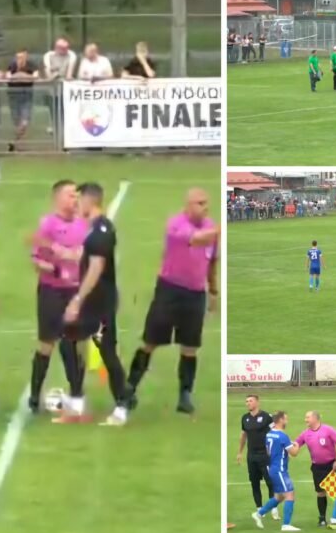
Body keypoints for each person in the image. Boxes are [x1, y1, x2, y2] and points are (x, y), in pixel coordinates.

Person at [126, 188, 219, 414]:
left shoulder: (211, 228)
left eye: (206, 203)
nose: (205, 207)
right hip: (169, 290)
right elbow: (196, 239)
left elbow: (211, 262)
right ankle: (129, 387)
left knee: (190, 346)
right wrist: (221, 229)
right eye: (199, 203)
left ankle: (185, 395)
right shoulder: (176, 225)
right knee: (151, 341)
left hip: (195, 293)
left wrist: (213, 290)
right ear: (187, 205)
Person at [61, 182, 129, 427]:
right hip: (94, 302)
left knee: (106, 352)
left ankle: (123, 404)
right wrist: (63, 253)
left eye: (79, 200)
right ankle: (77, 399)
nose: (76, 205)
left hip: (100, 304)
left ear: (91, 201)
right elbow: (87, 257)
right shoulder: (95, 229)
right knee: (68, 341)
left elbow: (96, 268)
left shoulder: (101, 231)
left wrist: (77, 300)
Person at [27, 180, 87, 414]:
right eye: (70, 195)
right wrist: (56, 269)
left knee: (74, 342)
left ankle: (77, 394)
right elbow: (36, 260)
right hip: (52, 291)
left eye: (76, 195)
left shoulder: (82, 224)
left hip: (75, 292)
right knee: (47, 343)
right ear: (58, 198)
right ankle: (34, 396)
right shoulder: (48, 225)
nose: (75, 199)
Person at [295, 410, 336, 526]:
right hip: (317, 467)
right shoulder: (306, 433)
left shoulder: (327, 430)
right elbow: (296, 444)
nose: (305, 420)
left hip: (331, 466)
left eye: (308, 417)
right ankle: (322, 518)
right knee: (320, 493)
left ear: (315, 418)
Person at [250, 412, 302, 532]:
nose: (287, 421)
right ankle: (286, 525)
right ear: (281, 420)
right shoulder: (283, 436)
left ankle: (258, 514)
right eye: (286, 419)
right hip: (280, 470)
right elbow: (294, 453)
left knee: (279, 496)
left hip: (272, 468)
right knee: (290, 494)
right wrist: (297, 445)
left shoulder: (269, 434)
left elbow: (269, 452)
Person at [238, 394, 278, 521]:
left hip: (265, 455)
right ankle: (259, 509)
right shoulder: (245, 418)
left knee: (270, 482)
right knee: (254, 483)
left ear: (257, 402)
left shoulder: (267, 417)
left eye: (250, 401)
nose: (248, 403)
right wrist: (240, 452)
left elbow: (275, 432)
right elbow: (243, 435)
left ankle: (274, 507)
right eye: (246, 401)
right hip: (251, 455)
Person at [41, 37, 78, 135]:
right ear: (56, 48)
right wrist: (55, 75)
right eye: (62, 48)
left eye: (66, 48)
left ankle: (67, 131)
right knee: (53, 111)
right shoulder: (48, 56)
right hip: (52, 90)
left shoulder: (71, 55)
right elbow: (48, 75)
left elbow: (69, 75)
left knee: (65, 111)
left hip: (66, 90)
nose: (64, 50)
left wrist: (57, 74)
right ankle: (55, 129)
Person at [5, 49, 38, 152]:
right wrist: (24, 76)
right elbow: (8, 77)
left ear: (26, 56)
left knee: (24, 122)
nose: (20, 59)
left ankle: (14, 142)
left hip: (26, 95)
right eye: (18, 57)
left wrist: (18, 76)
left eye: (22, 57)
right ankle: (18, 144)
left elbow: (35, 77)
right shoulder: (12, 65)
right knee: (16, 121)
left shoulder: (31, 65)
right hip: (13, 95)